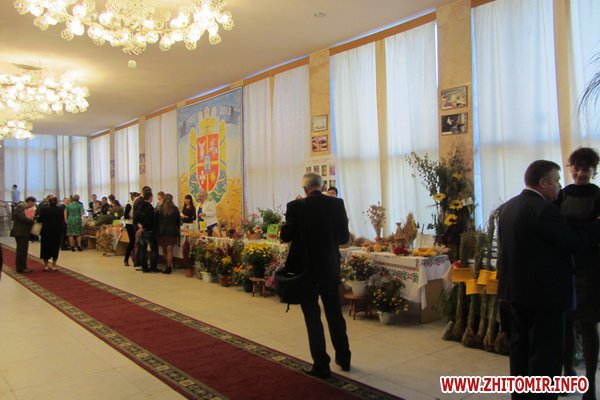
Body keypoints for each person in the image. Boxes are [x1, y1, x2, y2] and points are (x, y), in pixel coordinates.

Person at [497, 160, 600, 399]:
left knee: (521, 349)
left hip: (516, 293)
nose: (559, 186)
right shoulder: (544, 210)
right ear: (543, 182)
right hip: (545, 297)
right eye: (556, 181)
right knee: (545, 355)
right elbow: (573, 242)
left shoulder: (509, 207)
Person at [280, 172, 351, 378]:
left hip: (306, 270)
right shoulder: (337, 204)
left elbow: (286, 236)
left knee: (312, 317)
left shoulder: (295, 206)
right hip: (329, 267)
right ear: (322, 186)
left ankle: (321, 364)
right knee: (334, 314)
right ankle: (344, 357)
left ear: (304, 189)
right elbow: (344, 238)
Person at [557, 148, 600, 400]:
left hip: (591, 269)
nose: (581, 173)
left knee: (588, 325)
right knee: (565, 325)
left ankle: (590, 384)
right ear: (570, 167)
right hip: (565, 267)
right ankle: (567, 374)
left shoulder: (598, 195)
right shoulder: (561, 195)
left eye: (586, 169)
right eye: (577, 168)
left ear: (594, 171)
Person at [134, 191, 159, 273]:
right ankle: (153, 267)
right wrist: (143, 228)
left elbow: (136, 219)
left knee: (143, 249)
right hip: (148, 231)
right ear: (150, 197)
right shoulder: (150, 208)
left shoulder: (139, 206)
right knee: (154, 249)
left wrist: (139, 227)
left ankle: (144, 267)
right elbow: (149, 220)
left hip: (141, 230)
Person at [155, 193, 180, 274]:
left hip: (162, 232)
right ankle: (169, 266)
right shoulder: (175, 209)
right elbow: (178, 221)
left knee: (164, 250)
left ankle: (167, 265)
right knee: (170, 250)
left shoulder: (159, 208)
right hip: (172, 231)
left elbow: (156, 220)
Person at [37, 196, 64, 271]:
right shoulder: (60, 209)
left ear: (48, 201)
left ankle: (46, 265)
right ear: (56, 201)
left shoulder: (44, 209)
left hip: (46, 231)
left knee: (45, 248)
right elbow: (62, 219)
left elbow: (40, 219)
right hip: (56, 231)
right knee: (55, 248)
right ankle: (54, 265)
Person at [10, 196, 36, 273]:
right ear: (30, 201)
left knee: (23, 250)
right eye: (33, 203)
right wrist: (32, 221)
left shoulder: (24, 207)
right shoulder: (21, 207)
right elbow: (22, 218)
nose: (33, 205)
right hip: (20, 232)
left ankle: (23, 266)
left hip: (24, 232)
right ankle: (21, 267)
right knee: (21, 250)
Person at [123, 192, 139, 266]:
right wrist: (133, 217)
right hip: (129, 224)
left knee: (135, 243)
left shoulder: (136, 204)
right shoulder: (129, 204)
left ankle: (134, 259)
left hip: (135, 224)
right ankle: (126, 259)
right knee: (132, 242)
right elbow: (125, 215)